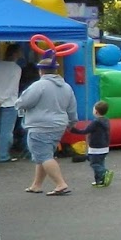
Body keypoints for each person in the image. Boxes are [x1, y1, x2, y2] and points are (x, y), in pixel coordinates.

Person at [17, 51, 78, 195]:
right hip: (59, 125)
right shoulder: (66, 87)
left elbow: (25, 102)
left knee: (43, 156)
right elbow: (72, 107)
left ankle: (60, 183)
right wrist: (72, 123)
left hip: (40, 125)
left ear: (41, 70)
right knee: (43, 155)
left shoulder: (39, 85)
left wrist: (18, 104)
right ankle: (36, 184)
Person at [75, 100, 112, 187]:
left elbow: (85, 131)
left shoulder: (95, 122)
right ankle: (99, 181)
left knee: (94, 164)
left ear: (96, 111)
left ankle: (104, 173)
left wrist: (73, 130)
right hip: (105, 146)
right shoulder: (106, 121)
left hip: (96, 148)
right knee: (100, 163)